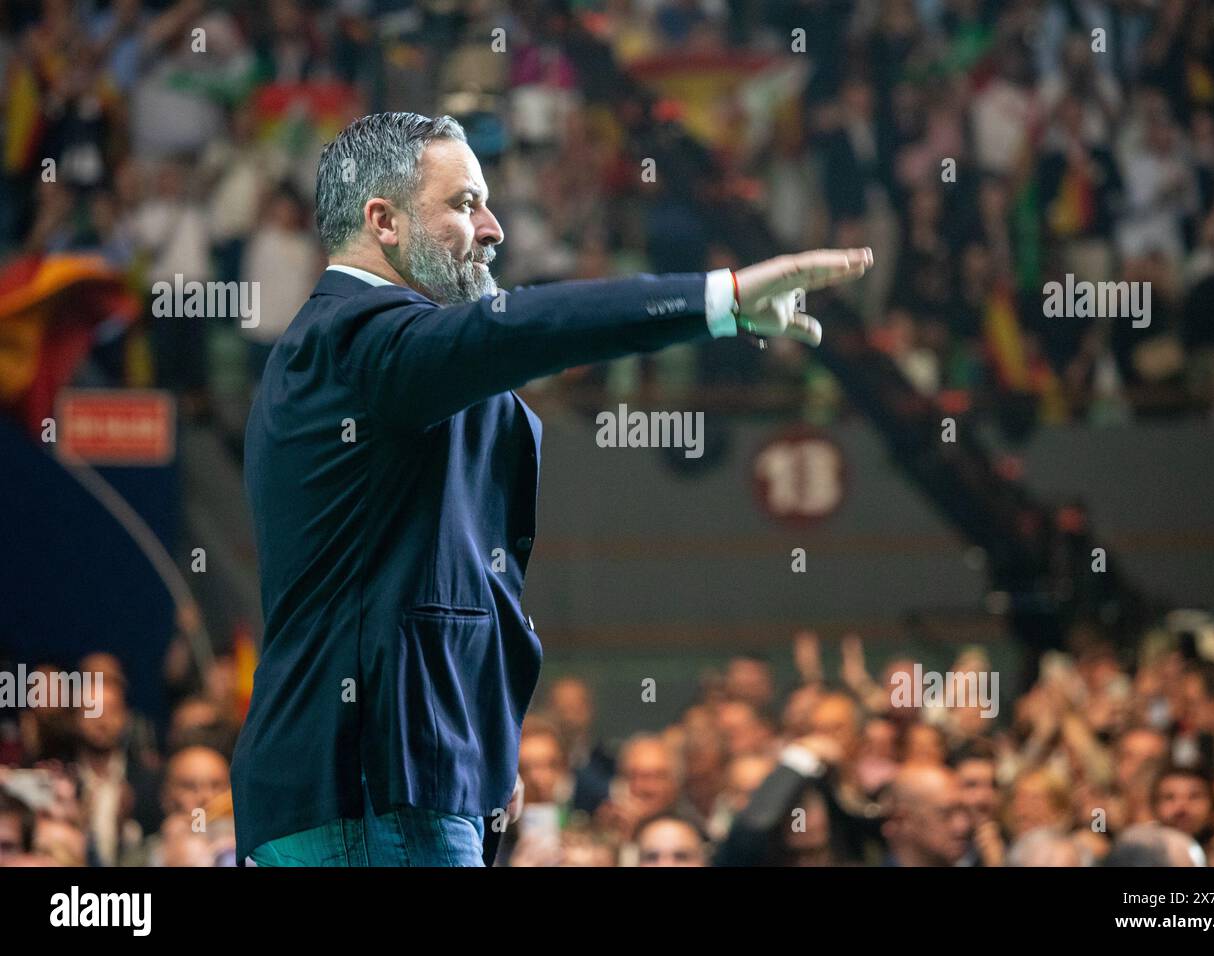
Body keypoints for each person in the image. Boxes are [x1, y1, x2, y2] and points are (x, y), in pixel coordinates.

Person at [230, 110, 872, 867]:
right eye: (465, 204)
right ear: (385, 221)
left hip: (399, 790)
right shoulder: (352, 340)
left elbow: (458, 585)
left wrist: (488, 759)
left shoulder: (391, 361)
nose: (494, 227)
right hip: (369, 790)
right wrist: (717, 300)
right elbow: (516, 329)